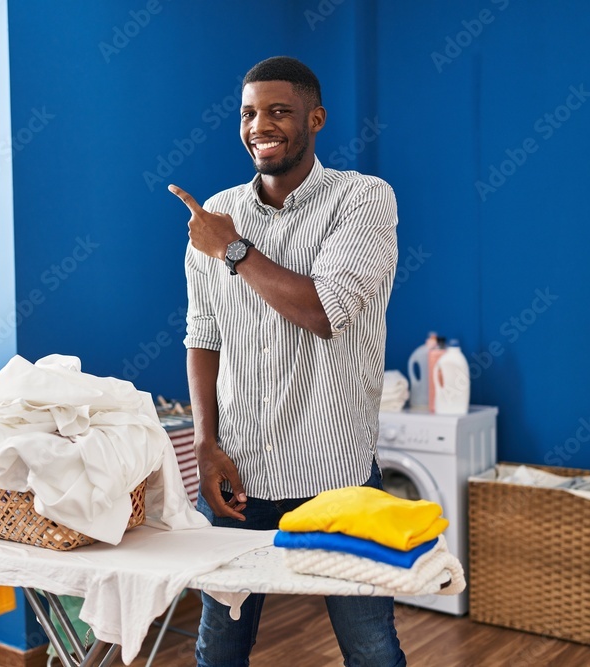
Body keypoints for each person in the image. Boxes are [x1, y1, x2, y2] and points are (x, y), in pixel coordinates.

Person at [169, 55, 402, 667]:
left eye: (278, 111)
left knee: (371, 649)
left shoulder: (363, 199)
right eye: (248, 113)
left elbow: (323, 310)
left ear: (315, 118)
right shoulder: (214, 215)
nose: (259, 125)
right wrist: (205, 443)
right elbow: (203, 334)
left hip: (338, 477)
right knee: (219, 647)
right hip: (239, 474)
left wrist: (233, 249)